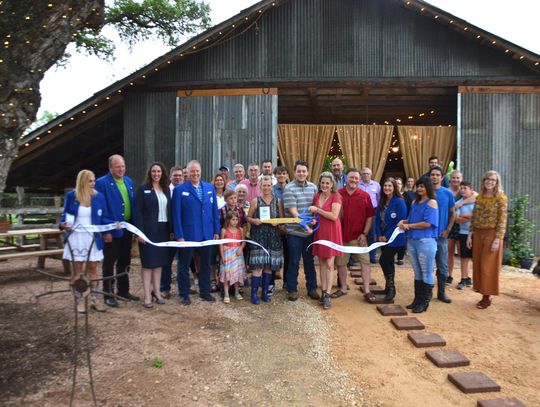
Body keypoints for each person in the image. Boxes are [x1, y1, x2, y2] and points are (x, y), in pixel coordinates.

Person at [61, 170, 114, 313]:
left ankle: (95, 299)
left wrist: (110, 228)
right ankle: (79, 300)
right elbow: (65, 215)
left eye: (94, 180)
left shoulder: (98, 197)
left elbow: (103, 217)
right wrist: (63, 224)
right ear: (82, 181)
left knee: (93, 269)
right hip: (76, 237)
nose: (93, 183)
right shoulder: (72, 196)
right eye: (90, 181)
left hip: (92, 237)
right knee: (77, 270)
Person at [172, 160, 220, 305]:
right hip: (188, 235)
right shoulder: (179, 190)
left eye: (197, 171)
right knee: (184, 265)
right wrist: (179, 235)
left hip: (207, 234)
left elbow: (214, 212)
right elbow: (176, 215)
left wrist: (216, 231)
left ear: (201, 172)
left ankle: (204, 292)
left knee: (206, 264)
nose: (195, 174)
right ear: (187, 173)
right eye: (192, 171)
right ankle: (184, 293)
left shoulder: (209, 188)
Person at [95, 154, 140, 307]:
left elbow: (132, 205)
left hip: (127, 228)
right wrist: (105, 230)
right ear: (110, 168)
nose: (121, 169)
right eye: (117, 166)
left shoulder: (129, 182)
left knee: (125, 260)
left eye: (123, 166)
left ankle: (123, 290)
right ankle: (108, 293)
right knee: (109, 262)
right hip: (111, 230)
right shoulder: (101, 183)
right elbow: (99, 208)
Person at [466, 171, 507, 309]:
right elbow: (474, 217)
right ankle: (482, 290)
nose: (490, 182)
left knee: (487, 265)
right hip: (478, 233)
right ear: (484, 181)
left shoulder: (500, 198)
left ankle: (487, 296)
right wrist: (470, 234)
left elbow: (502, 220)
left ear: (497, 182)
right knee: (478, 263)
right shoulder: (479, 197)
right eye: (488, 179)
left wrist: (497, 239)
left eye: (493, 180)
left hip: (492, 234)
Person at [398, 178, 438, 313]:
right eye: (418, 186)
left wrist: (408, 225)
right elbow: (412, 219)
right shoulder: (415, 202)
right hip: (412, 240)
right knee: (417, 271)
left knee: (426, 271)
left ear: (428, 187)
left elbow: (428, 223)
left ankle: (424, 302)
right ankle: (417, 300)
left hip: (426, 241)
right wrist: (402, 222)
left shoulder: (432, 203)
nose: (420, 189)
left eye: (422, 186)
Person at [134, 162, 171, 308]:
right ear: (150, 173)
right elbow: (138, 213)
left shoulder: (165, 189)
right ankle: (147, 296)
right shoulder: (143, 190)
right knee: (148, 264)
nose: (156, 174)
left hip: (162, 230)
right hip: (147, 232)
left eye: (159, 171)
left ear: (162, 174)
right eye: (154, 171)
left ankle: (157, 292)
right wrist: (139, 233)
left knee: (159, 263)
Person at [335, 168, 375, 302]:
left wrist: (365, 234)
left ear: (360, 180)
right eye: (351, 177)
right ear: (346, 179)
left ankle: (367, 291)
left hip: (359, 238)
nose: (354, 180)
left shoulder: (365, 196)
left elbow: (370, 217)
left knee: (365, 263)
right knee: (341, 264)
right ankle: (343, 288)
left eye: (356, 178)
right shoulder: (338, 194)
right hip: (341, 237)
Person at [283, 160, 319, 301]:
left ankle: (312, 288)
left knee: (310, 261)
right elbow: (294, 213)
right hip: (294, 233)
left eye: (304, 171)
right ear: (295, 172)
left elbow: (316, 207)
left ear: (308, 172)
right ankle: (292, 289)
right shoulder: (289, 188)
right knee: (294, 261)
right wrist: (307, 227)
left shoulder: (313, 187)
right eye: (299, 171)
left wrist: (315, 219)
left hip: (310, 232)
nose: (301, 173)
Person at [247, 176, 284, 304]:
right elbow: (248, 218)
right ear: (260, 186)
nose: (267, 188)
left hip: (273, 236)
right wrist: (254, 221)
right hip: (259, 236)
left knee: (268, 266)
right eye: (264, 185)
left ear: (271, 186)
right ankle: (254, 294)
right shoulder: (255, 201)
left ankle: (264, 293)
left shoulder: (278, 201)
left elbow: (282, 219)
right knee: (258, 266)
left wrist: (277, 223)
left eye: (269, 185)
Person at [309, 172, 343, 309]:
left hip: (332, 231)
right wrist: (312, 220)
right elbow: (316, 215)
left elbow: (334, 216)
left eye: (327, 183)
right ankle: (323, 291)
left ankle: (328, 294)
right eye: (322, 182)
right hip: (320, 231)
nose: (324, 185)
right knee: (322, 262)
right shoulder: (317, 196)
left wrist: (317, 209)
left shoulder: (336, 197)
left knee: (330, 263)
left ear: (332, 184)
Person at [375, 178, 407, 302]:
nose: (387, 188)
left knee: (384, 260)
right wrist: (379, 235)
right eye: (385, 185)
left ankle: (392, 288)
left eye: (390, 186)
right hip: (382, 238)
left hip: (395, 238)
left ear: (394, 187)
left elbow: (400, 221)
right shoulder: (382, 201)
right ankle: (388, 288)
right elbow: (377, 220)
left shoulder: (399, 202)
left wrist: (386, 236)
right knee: (388, 262)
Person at [430, 166, 455, 304]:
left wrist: (448, 230)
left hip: (441, 236)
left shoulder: (448, 193)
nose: (435, 177)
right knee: (427, 266)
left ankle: (441, 292)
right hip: (427, 236)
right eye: (432, 174)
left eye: (437, 175)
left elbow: (453, 213)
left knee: (443, 267)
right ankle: (426, 292)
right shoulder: (424, 192)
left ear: (442, 177)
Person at [160, 166, 184, 299]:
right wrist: (171, 230)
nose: (178, 177)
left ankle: (183, 288)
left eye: (180, 175)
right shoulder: (165, 192)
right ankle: (165, 288)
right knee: (166, 262)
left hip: (184, 234)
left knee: (183, 262)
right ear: (170, 177)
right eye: (175, 175)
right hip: (169, 233)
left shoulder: (185, 191)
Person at [219, 211, 246, 303]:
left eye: (237, 219)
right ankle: (226, 293)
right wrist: (222, 256)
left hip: (237, 254)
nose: (235, 221)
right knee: (227, 273)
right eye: (233, 219)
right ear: (228, 220)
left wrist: (240, 249)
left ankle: (237, 292)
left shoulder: (241, 230)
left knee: (237, 273)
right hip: (228, 254)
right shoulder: (224, 230)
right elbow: (221, 244)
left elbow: (244, 241)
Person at [454, 181, 475, 290]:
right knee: (464, 258)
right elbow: (457, 220)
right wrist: (470, 217)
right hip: (463, 233)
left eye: (465, 188)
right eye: (461, 188)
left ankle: (477, 280)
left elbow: (478, 216)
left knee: (476, 258)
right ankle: (464, 278)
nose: (462, 190)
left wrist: (464, 215)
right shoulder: (458, 203)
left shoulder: (477, 201)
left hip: (476, 233)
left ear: (471, 189)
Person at [359, 167, 380, 263]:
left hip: (373, 212)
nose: (366, 175)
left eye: (368, 173)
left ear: (371, 175)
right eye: (364, 174)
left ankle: (372, 256)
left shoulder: (376, 185)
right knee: (360, 233)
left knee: (372, 234)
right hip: (360, 212)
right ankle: (359, 256)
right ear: (361, 175)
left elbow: (379, 198)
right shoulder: (358, 185)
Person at [446, 170, 463, 285]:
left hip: (462, 226)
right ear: (450, 179)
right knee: (449, 252)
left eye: (458, 178)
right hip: (449, 225)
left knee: (462, 254)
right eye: (453, 178)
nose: (456, 180)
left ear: (461, 179)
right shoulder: (446, 191)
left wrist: (461, 203)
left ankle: (464, 277)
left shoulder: (464, 191)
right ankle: (449, 275)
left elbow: (476, 196)